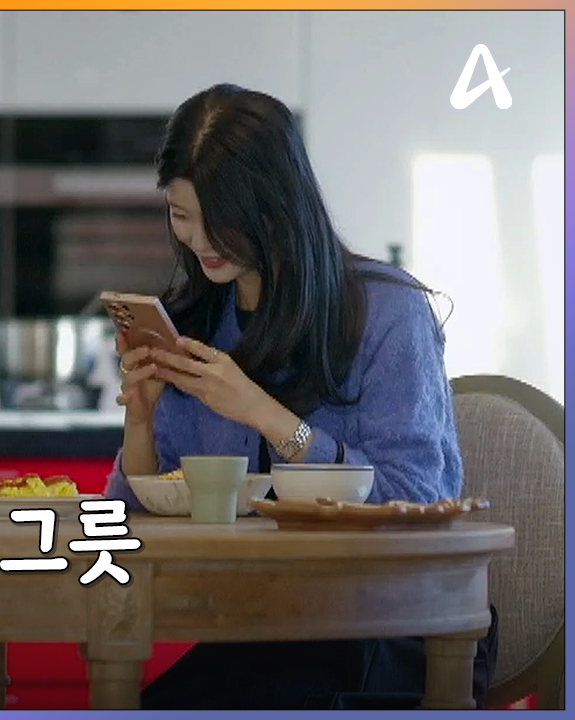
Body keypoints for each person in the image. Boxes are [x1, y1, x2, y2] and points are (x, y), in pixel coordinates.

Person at [103, 84, 498, 710]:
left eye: (221, 219)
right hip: (261, 628)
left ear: (277, 203)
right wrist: (142, 422)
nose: (201, 241)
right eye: (181, 215)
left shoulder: (387, 312)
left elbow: (418, 499)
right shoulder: (199, 320)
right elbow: (138, 516)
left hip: (390, 624)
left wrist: (264, 415)